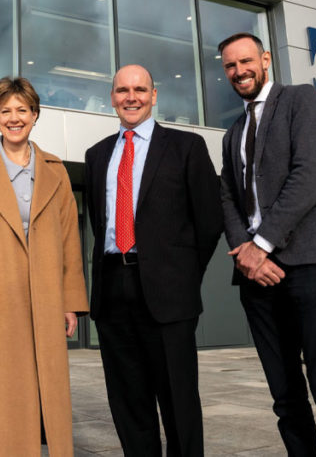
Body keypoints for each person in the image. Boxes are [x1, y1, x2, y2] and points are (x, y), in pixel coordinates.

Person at [217, 32, 316, 456]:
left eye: (246, 61)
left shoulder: (301, 100)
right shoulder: (234, 132)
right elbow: (228, 196)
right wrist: (246, 254)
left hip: (312, 263)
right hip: (257, 278)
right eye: (230, 65)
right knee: (285, 396)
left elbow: (308, 176)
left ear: (265, 59)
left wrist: (260, 243)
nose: (239, 71)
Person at [84, 64, 222, 457]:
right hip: (112, 292)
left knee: (178, 401)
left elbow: (209, 221)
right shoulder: (97, 156)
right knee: (129, 404)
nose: (132, 97)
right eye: (123, 90)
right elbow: (101, 221)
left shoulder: (186, 147)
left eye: (140, 89)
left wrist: (184, 276)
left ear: (154, 95)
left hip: (168, 295)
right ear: (112, 98)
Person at [0, 76, 89, 456]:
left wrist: (70, 300)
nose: (14, 118)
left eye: (21, 110)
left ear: (35, 115)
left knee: (39, 396)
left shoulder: (55, 169)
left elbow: (68, 241)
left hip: (43, 299)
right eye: (5, 111)